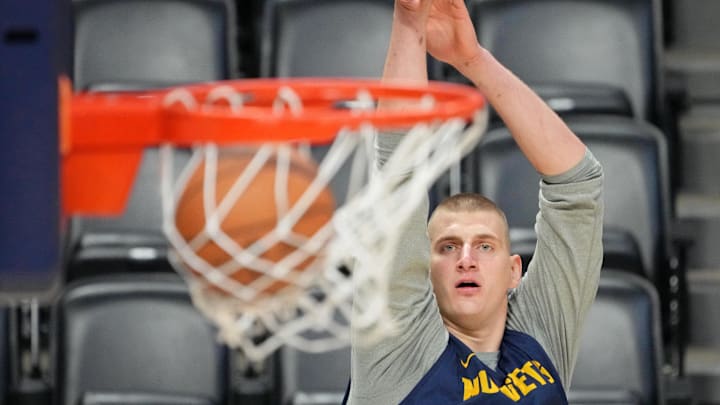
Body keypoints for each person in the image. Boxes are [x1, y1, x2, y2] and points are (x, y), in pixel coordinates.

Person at [344, 0, 604, 403]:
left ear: (513, 271)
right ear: (422, 274)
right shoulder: (398, 352)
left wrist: (473, 59)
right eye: (448, 248)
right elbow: (399, 169)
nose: (467, 259)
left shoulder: (541, 333)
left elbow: (578, 184)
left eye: (485, 246)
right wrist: (409, 21)